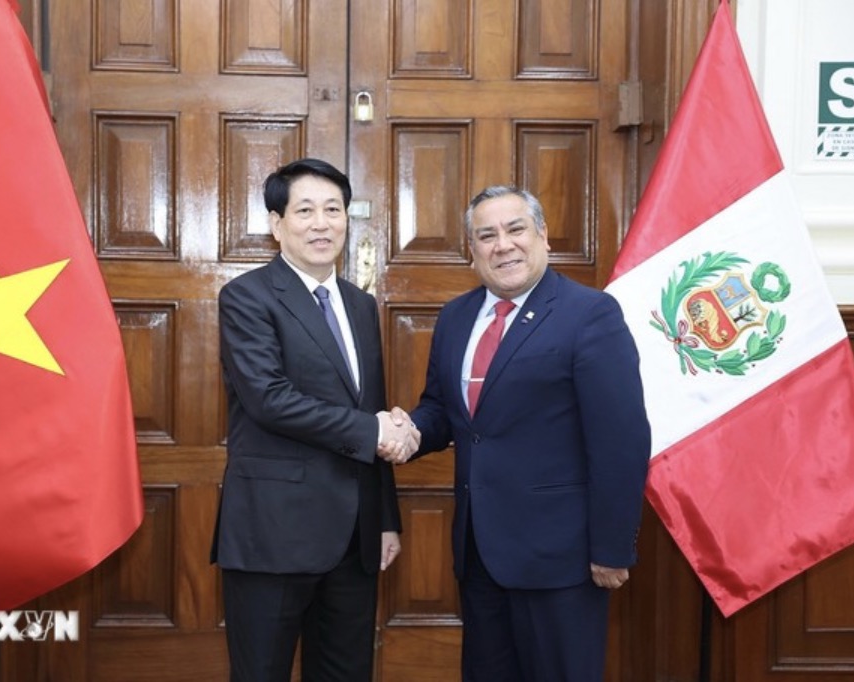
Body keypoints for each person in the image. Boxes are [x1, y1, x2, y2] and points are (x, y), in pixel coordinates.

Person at [392, 186, 650, 681]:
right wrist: (409, 433)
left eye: (515, 229)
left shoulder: (589, 314)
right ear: (473, 251)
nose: (502, 245)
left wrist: (613, 547)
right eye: (486, 235)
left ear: (543, 236)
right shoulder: (455, 317)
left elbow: (622, 441)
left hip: (562, 559)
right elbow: (443, 412)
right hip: (479, 552)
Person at [211, 157, 419, 682]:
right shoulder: (247, 297)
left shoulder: (360, 304)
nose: (321, 223)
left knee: (346, 672)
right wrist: (375, 430)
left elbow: (372, 406)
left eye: (333, 209)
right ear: (277, 224)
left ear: (348, 220)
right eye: (305, 210)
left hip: (355, 536)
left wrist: (385, 516)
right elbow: (268, 398)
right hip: (273, 532)